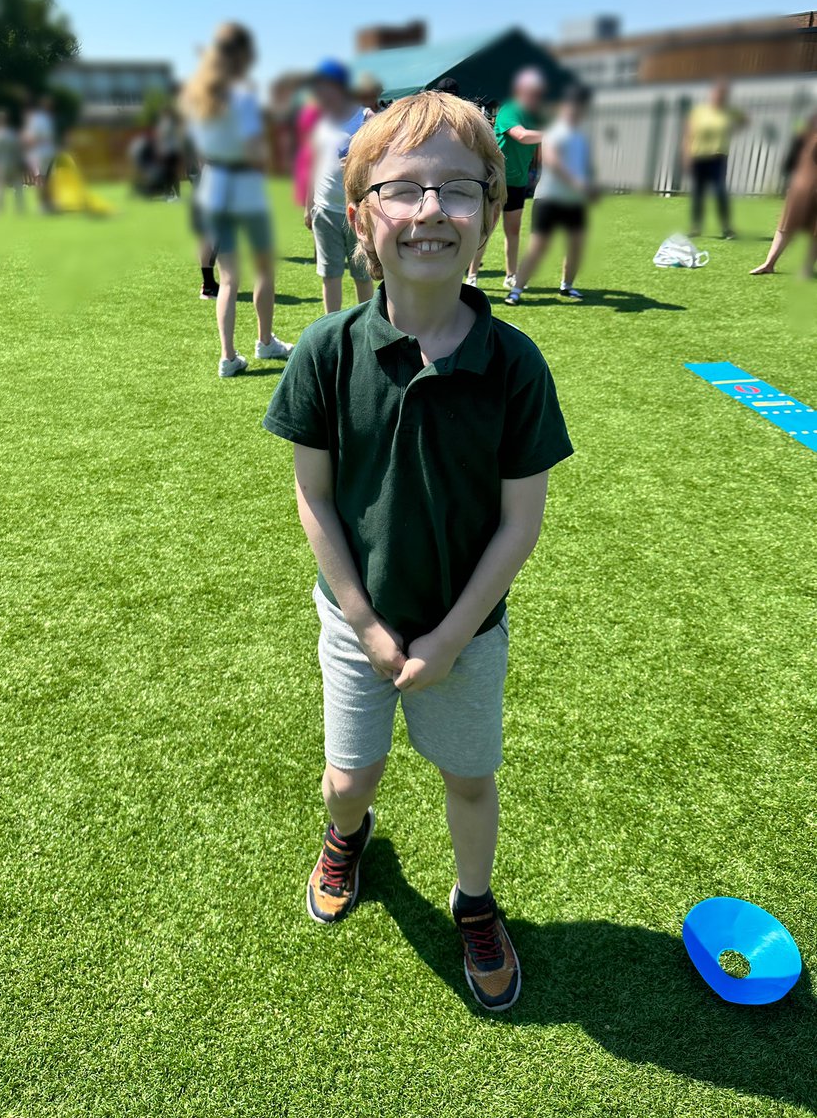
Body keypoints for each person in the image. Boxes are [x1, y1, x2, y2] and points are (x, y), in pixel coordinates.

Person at [262, 91, 573, 1011]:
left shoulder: (516, 365)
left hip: (466, 634)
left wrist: (448, 638)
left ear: (490, 213)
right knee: (349, 776)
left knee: (469, 779)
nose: (431, 211)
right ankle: (346, 839)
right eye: (403, 189)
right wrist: (364, 623)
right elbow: (312, 496)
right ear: (361, 217)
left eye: (458, 191)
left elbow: (522, 520)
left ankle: (474, 903)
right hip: (354, 619)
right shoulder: (324, 351)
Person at [181, 22, 294, 377]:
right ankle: (264, 341)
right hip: (243, 183)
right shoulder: (243, 97)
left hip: (214, 183)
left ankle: (228, 356)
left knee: (228, 278)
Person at [506, 84, 596, 306]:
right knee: (538, 246)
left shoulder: (582, 138)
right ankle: (516, 291)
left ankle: (567, 286)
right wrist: (578, 182)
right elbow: (553, 161)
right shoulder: (553, 132)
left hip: (574, 201)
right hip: (549, 198)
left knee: (576, 243)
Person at [304, 59, 374, 315]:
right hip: (325, 211)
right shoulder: (319, 121)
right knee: (329, 274)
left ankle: (368, 327)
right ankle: (330, 329)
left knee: (363, 274)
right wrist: (308, 206)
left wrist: (359, 161)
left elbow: (383, 159)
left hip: (358, 209)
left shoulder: (366, 117)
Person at [466, 68, 546, 289]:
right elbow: (520, 135)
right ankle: (472, 276)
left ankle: (511, 275)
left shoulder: (535, 117)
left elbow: (538, 149)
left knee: (513, 231)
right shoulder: (509, 110)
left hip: (518, 183)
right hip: (496, 180)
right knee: (485, 230)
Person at [750, 113, 817, 278]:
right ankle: (769, 263)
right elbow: (795, 154)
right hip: (803, 181)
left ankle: (806, 268)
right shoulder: (809, 126)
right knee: (786, 224)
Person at [684, 80, 746, 239]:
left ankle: (726, 228)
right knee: (698, 193)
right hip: (699, 157)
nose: (718, 96)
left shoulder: (730, 111)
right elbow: (688, 135)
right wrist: (687, 156)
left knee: (720, 192)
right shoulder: (699, 111)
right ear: (711, 94)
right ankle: (695, 227)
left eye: (722, 94)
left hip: (718, 157)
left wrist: (733, 129)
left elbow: (744, 121)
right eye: (716, 93)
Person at [22, 96, 57, 212]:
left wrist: (26, 141)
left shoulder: (36, 119)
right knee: (47, 180)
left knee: (40, 180)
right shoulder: (46, 118)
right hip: (48, 152)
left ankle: (43, 206)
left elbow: (32, 139)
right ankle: (49, 204)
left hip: (39, 154)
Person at [0, 110, 25, 214]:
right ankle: (20, 209)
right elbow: (18, 149)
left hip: (0, 163)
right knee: (17, 186)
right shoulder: (11, 133)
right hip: (12, 162)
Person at [155, 105, 184, 200]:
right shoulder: (170, 123)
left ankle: (172, 194)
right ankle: (170, 193)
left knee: (170, 174)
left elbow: (162, 136)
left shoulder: (167, 123)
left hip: (170, 152)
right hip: (170, 151)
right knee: (170, 174)